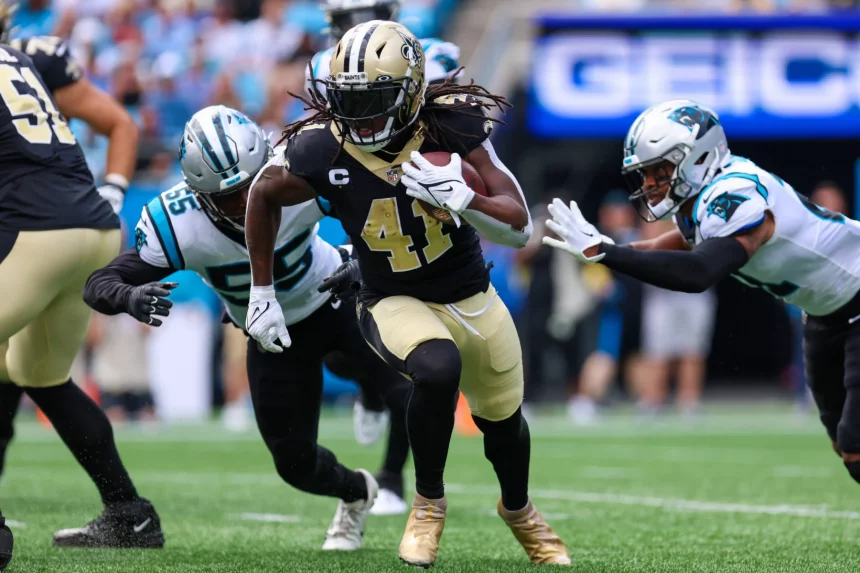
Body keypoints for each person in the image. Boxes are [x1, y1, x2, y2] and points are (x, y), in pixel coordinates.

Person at [245, 22, 570, 567]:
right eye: (347, 101)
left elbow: (518, 227)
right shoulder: (322, 145)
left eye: (373, 101)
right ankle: (427, 504)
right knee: (437, 367)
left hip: (471, 294)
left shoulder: (451, 127)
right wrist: (262, 290)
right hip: (388, 296)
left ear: (412, 91)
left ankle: (519, 509)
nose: (358, 117)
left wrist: (466, 199)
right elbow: (262, 192)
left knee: (503, 425)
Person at [83, 105, 409, 551]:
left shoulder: (298, 174)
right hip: (270, 334)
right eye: (227, 196)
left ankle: (407, 486)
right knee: (294, 464)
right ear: (198, 194)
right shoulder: (177, 221)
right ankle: (357, 492)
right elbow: (99, 283)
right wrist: (128, 297)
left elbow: (376, 214)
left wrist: (359, 260)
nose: (242, 204)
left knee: (405, 386)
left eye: (249, 188)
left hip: (332, 298)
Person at [543, 99, 860, 487]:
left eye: (658, 170)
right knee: (845, 444)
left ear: (698, 157)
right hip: (826, 314)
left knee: (855, 445)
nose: (648, 183)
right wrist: (609, 249)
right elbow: (681, 242)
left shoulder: (736, 192)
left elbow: (700, 272)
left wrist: (608, 253)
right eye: (645, 173)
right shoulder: (702, 197)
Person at [0, 27, 162, 550]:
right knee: (41, 375)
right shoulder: (20, 59)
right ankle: (129, 513)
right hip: (91, 227)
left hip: (36, 232)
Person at [308, 2, 461, 506]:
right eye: (344, 19)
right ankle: (368, 389)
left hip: (421, 207)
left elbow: (455, 131)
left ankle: (393, 476)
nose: (352, 28)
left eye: (364, 12)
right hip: (357, 208)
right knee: (340, 346)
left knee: (417, 365)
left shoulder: (429, 57)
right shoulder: (324, 67)